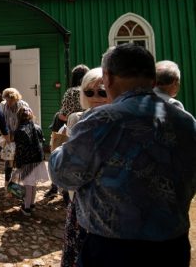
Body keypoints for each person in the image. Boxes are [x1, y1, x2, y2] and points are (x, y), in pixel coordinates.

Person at [50, 44, 196, 267]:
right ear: (152, 78)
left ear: (107, 78)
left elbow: (63, 176)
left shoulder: (101, 120)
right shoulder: (186, 122)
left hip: (113, 250)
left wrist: (59, 150)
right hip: (172, 248)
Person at [59, 67, 108, 267]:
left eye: (102, 91)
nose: (96, 96)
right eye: (89, 92)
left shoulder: (122, 120)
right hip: (84, 197)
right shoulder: (78, 119)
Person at [44, 64, 89, 199]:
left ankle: (57, 187)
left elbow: (64, 115)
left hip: (70, 129)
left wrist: (60, 116)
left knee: (60, 156)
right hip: (87, 130)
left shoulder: (71, 92)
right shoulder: (89, 91)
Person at [11, 106, 49, 215]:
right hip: (38, 158)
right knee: (33, 183)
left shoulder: (19, 130)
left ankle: (26, 207)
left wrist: (17, 163)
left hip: (26, 160)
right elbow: (42, 141)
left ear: (19, 116)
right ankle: (32, 204)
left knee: (28, 183)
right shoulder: (37, 127)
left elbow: (20, 149)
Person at [0, 88, 29, 190]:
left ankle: (18, 183)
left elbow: (27, 123)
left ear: (16, 99)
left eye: (11, 100)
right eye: (7, 100)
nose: (9, 102)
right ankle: (7, 183)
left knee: (20, 161)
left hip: (20, 137)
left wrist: (17, 135)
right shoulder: (2, 105)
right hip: (7, 137)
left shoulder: (23, 105)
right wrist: (6, 135)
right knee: (8, 161)